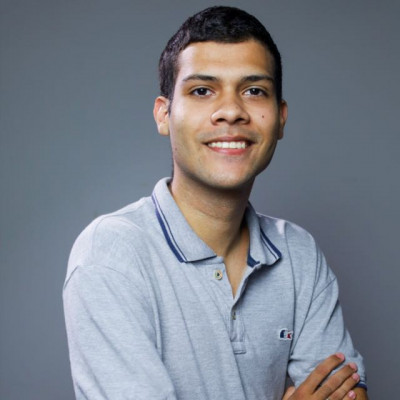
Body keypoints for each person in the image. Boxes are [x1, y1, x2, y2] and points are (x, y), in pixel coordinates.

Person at [63, 6, 368, 400]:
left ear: (280, 118)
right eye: (202, 91)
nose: (231, 112)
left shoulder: (299, 253)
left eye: (254, 91)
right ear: (164, 115)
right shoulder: (112, 254)